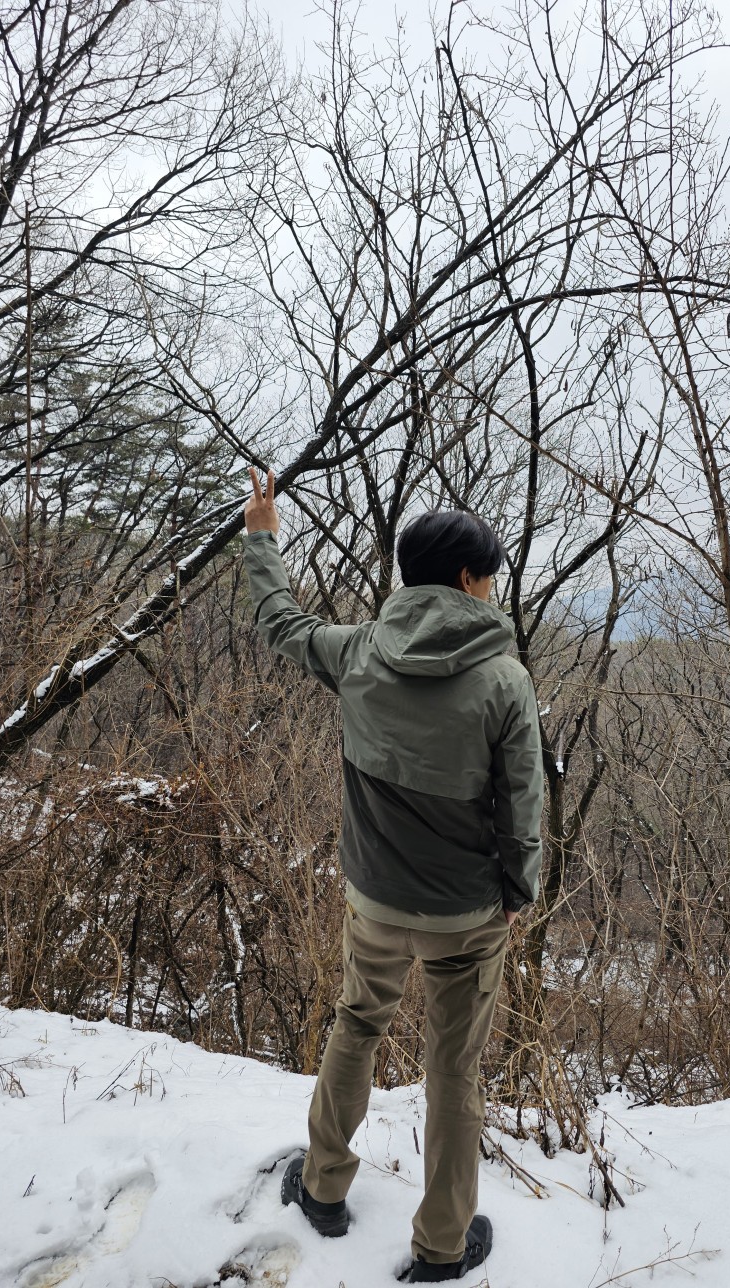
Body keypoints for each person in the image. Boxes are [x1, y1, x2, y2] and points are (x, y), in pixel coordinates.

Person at [242, 467, 544, 1283]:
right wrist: (520, 893)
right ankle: (443, 1246)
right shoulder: (503, 682)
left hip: (373, 899)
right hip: (465, 918)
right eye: (490, 576)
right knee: (454, 1067)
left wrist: (263, 534)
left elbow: (281, 620)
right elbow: (523, 807)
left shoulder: (360, 654)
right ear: (469, 580)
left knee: (357, 1023)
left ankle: (324, 1188)